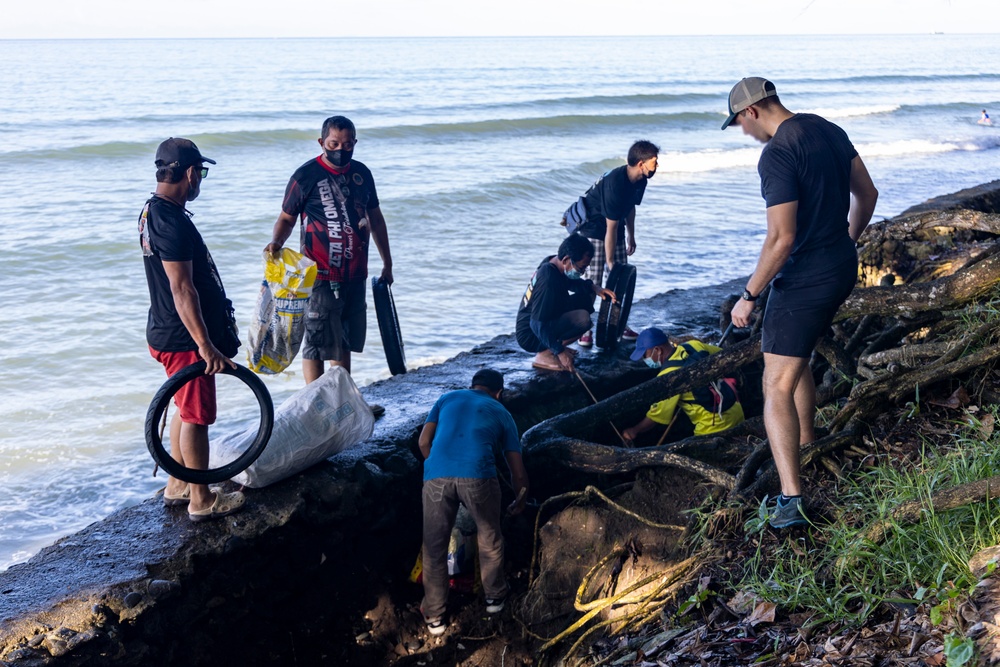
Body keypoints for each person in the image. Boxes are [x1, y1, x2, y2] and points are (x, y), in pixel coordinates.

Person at [722, 77, 878, 528]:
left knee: (774, 384)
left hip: (805, 279)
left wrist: (749, 295)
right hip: (840, 267)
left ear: (751, 111)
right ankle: (807, 439)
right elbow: (867, 196)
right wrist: (844, 243)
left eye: (738, 123)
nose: (743, 133)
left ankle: (792, 501)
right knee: (797, 357)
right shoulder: (826, 128)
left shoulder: (776, 154)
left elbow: (781, 238)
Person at [139, 137, 246, 522]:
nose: (200, 180)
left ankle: (177, 484)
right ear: (188, 173)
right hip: (184, 338)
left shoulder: (152, 212)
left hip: (165, 330)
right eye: (200, 172)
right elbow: (182, 288)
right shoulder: (170, 221)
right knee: (198, 416)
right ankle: (201, 499)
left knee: (184, 410)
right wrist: (205, 345)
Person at [264, 115, 393, 415]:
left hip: (355, 273)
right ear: (321, 143)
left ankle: (344, 404)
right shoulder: (306, 176)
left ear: (355, 144)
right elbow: (286, 217)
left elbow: (376, 218)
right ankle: (316, 408)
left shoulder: (362, 174)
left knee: (343, 340)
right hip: (318, 273)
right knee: (317, 340)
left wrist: (387, 261)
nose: (341, 150)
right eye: (334, 144)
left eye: (347, 145)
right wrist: (277, 242)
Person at [417, 369, 529, 635]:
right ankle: (494, 598)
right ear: (498, 393)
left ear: (472, 385)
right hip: (478, 475)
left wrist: (439, 467)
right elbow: (517, 470)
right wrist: (521, 500)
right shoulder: (502, 412)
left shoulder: (446, 398)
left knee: (434, 548)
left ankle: (435, 617)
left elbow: (423, 442)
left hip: (436, 476)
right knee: (489, 536)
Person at [572, 140, 659, 347]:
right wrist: (610, 262)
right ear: (641, 163)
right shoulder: (615, 184)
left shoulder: (641, 179)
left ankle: (619, 323)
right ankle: (585, 330)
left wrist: (631, 235)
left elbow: (630, 208)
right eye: (654, 162)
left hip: (615, 227)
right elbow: (608, 228)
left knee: (621, 279)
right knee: (593, 281)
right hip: (594, 229)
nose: (657, 166)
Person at [622, 328, 744, 443]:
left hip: (713, 427)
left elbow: (657, 416)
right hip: (736, 410)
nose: (645, 359)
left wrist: (634, 430)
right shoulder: (694, 345)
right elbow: (724, 356)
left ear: (658, 350)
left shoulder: (668, 377)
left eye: (645, 355)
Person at [515, 234, 616, 372]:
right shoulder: (548, 281)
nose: (582, 272)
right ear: (567, 259)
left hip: (548, 317)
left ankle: (554, 346)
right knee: (582, 319)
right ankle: (546, 353)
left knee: (585, 299)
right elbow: (536, 323)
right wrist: (560, 352)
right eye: (581, 268)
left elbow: (570, 282)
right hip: (531, 334)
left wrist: (595, 288)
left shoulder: (553, 263)